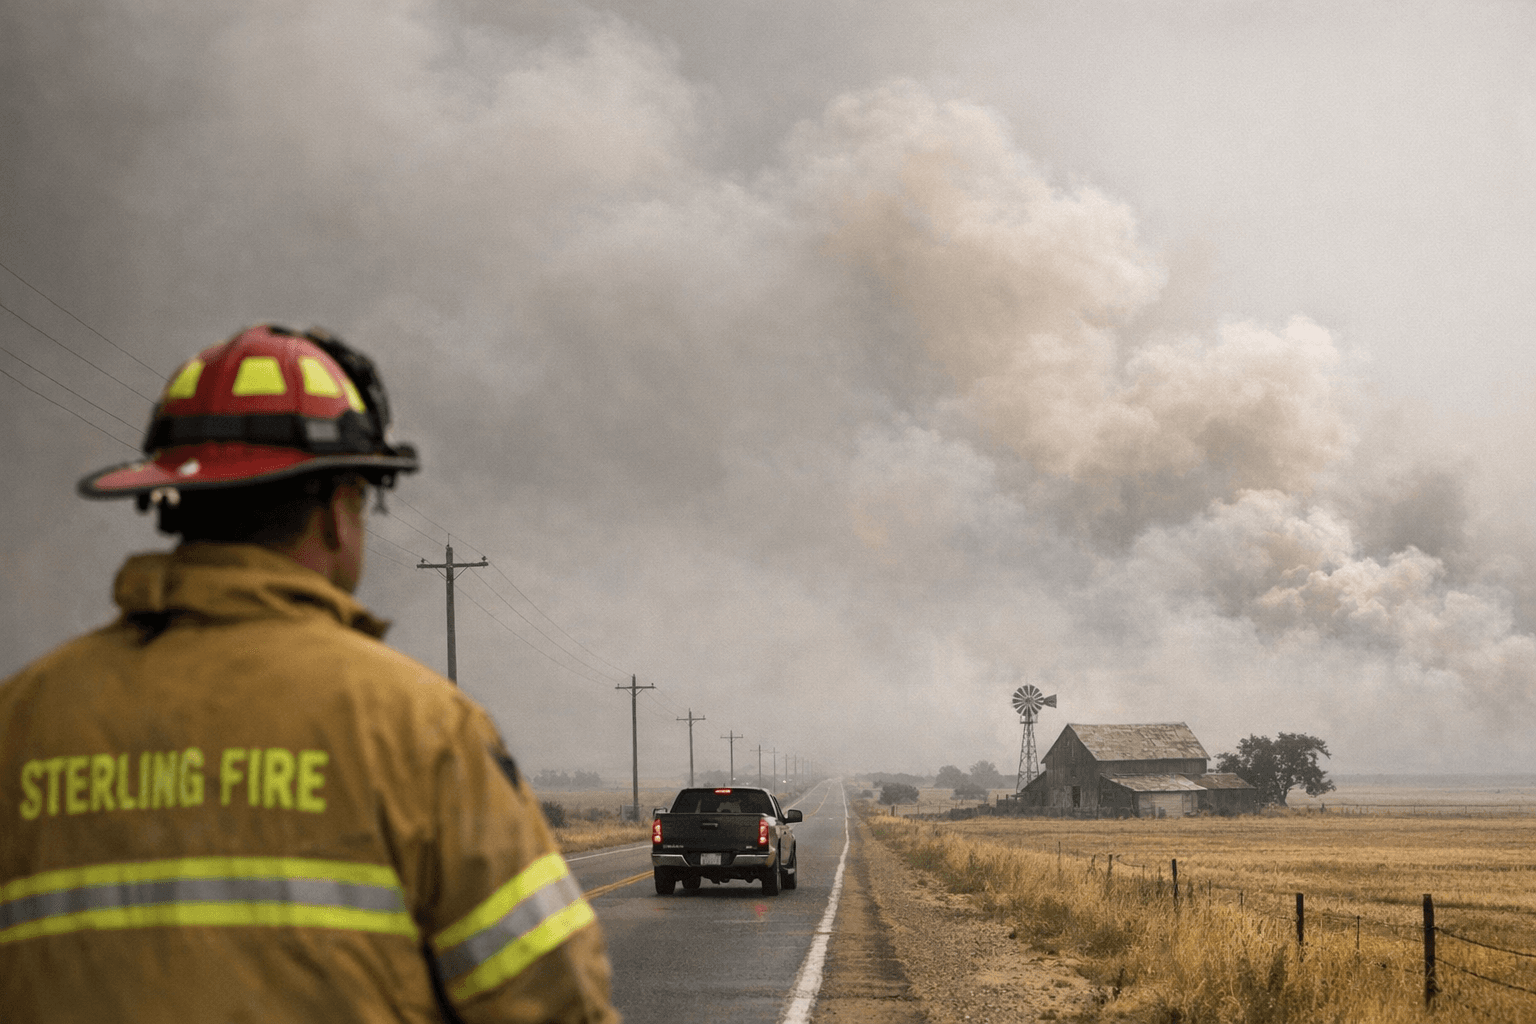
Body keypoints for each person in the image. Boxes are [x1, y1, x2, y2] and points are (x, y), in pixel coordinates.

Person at [0, 324, 619, 1023]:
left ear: (172, 500)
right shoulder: (420, 731)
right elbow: (553, 1001)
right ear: (334, 512)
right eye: (364, 500)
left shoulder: (21, 718)